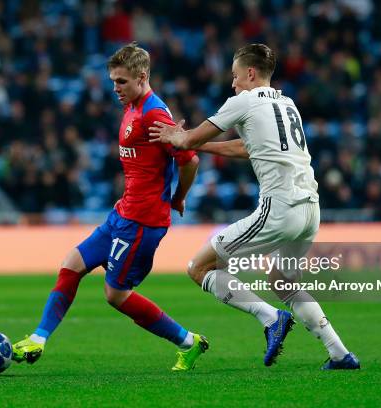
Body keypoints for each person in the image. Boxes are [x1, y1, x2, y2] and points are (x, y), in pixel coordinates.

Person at [150, 44, 359, 369]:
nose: (232, 84)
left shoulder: (243, 101)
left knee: (199, 267)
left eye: (235, 76)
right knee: (282, 278)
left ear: (249, 73)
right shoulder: (287, 104)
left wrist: (174, 135)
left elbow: (185, 141)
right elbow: (249, 148)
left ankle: (271, 318)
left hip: (280, 209)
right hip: (311, 208)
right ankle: (340, 353)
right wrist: (197, 143)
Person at [12, 43, 206, 371]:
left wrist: (179, 196)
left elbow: (190, 160)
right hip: (122, 213)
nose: (115, 88)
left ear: (142, 76)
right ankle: (39, 338)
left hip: (143, 221)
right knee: (72, 263)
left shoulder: (153, 113)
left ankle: (189, 342)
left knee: (115, 295)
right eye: (113, 81)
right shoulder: (133, 107)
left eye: (121, 81)